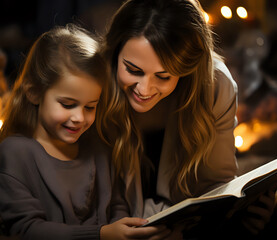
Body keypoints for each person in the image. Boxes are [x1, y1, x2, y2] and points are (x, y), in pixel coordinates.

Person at [95, 0, 276, 237]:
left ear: (185, 70)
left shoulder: (214, 85)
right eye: (133, 70)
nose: (145, 89)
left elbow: (217, 186)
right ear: (115, 53)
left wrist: (242, 214)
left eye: (163, 76)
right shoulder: (92, 82)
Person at [0, 24, 172, 240]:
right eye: (67, 104)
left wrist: (124, 231)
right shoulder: (15, 153)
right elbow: (27, 229)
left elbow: (117, 206)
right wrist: (101, 234)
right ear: (34, 93)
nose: (80, 118)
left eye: (90, 107)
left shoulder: (99, 148)